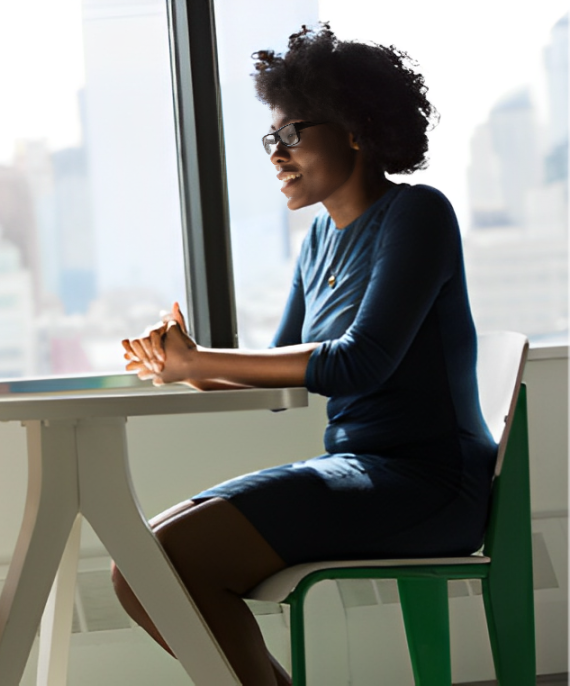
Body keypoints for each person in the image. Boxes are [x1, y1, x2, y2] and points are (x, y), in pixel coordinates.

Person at [116, 24, 495, 686]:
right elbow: (281, 382)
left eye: (292, 135)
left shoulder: (418, 215)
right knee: (138, 565)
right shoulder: (319, 237)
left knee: (169, 561)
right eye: (273, 138)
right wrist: (178, 364)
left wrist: (201, 361)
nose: (276, 155)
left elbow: (358, 363)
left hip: (431, 483)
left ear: (353, 127)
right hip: (359, 467)